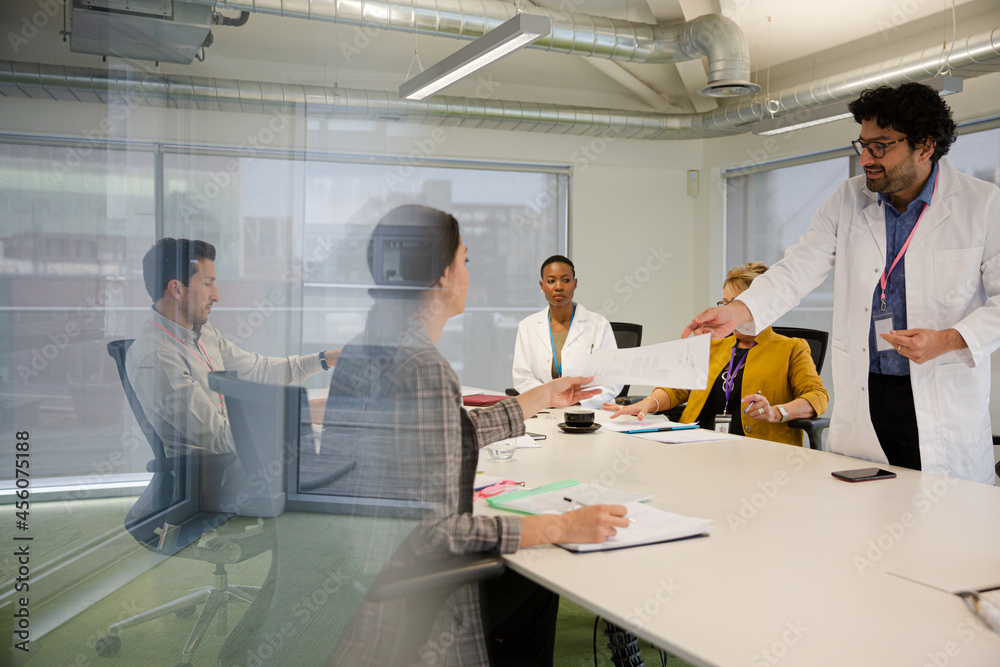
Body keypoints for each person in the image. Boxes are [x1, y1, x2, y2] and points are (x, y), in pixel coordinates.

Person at [330, 206, 630, 666]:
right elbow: (440, 534)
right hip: (410, 599)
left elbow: (445, 430)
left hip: (360, 571)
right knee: (538, 574)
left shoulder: (364, 348)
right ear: (441, 277)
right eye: (464, 261)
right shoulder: (423, 367)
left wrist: (539, 398)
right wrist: (559, 526)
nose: (468, 273)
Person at [683, 82, 1000, 484]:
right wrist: (737, 311)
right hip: (866, 396)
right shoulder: (849, 199)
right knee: (864, 522)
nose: (866, 158)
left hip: (942, 394)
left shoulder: (983, 205)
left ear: (924, 146)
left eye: (880, 146)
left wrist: (950, 339)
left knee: (944, 527)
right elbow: (799, 267)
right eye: (862, 144)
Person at [127, 238, 339, 459]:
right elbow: (220, 437)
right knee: (331, 454)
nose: (216, 296)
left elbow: (258, 370)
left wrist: (325, 359)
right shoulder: (158, 358)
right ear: (177, 289)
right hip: (216, 474)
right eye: (207, 284)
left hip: (241, 456)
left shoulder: (202, 332)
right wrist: (302, 414)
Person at [607, 263, 828, 446]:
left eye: (737, 303)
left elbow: (817, 397)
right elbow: (677, 388)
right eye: (725, 303)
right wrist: (649, 402)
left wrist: (777, 412)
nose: (727, 310)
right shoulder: (715, 344)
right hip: (695, 443)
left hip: (755, 449)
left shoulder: (791, 348)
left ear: (760, 305)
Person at [512, 255, 621, 409]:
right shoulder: (527, 326)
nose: (558, 287)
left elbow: (612, 379)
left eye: (566, 280)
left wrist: (577, 401)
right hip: (545, 411)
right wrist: (548, 399)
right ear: (542, 285)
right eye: (551, 281)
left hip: (589, 412)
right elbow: (522, 376)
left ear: (575, 283)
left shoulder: (599, 325)